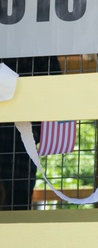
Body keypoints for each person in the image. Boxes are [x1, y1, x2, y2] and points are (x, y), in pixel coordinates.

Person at [0, 56, 60, 211]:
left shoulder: (41, 51)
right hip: (20, 153)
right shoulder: (42, 50)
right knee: (17, 217)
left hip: (19, 154)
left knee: (16, 211)